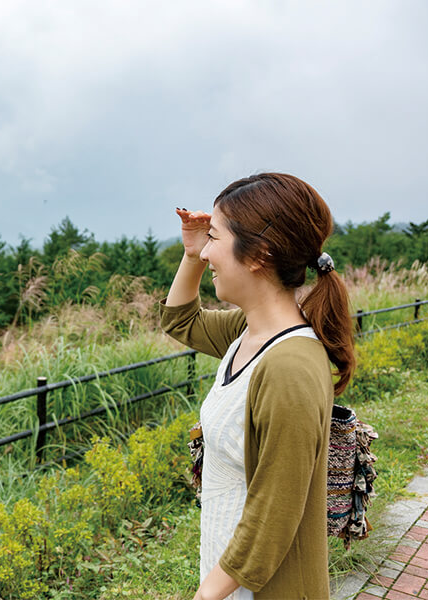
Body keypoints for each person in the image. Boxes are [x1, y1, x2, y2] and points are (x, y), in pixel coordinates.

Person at [159, 173, 355, 599]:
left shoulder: (289, 367)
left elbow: (275, 513)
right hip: (231, 573)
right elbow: (180, 320)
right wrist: (192, 253)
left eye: (214, 238)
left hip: (263, 586)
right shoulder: (249, 332)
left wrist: (207, 594)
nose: (207, 252)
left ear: (258, 254)